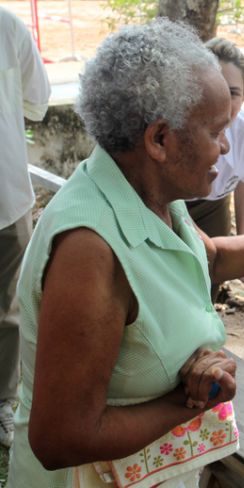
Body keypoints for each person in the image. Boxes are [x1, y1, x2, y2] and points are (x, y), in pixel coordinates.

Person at [7, 20, 244, 487]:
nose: (226, 146)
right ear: (160, 140)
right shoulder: (91, 253)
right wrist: (189, 401)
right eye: (216, 130)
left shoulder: (144, 193)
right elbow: (59, 438)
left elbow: (207, 258)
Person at [0, 6, 51, 450]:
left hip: (6, 198)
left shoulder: (7, 27)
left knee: (9, 310)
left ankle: (3, 401)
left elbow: (38, 101)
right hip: (8, 194)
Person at [186, 37, 244, 297]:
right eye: (215, 87)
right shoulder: (175, 130)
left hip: (214, 203)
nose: (223, 100)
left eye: (233, 92)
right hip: (166, 202)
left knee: (210, 280)